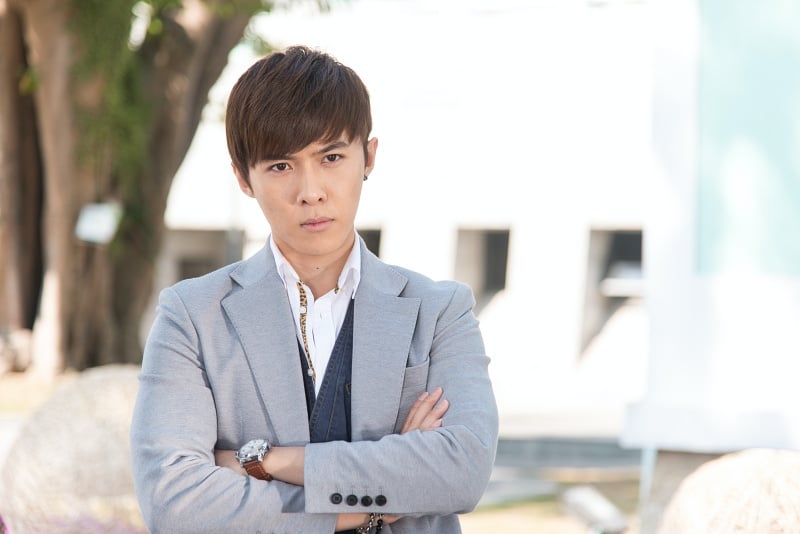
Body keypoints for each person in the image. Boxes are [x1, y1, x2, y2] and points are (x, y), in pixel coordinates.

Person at [130, 45, 498, 533]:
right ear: (243, 178)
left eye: (331, 157)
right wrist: (378, 503)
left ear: (368, 157)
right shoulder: (193, 316)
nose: (311, 191)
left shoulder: (439, 311)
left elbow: (463, 471)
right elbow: (173, 501)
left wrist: (264, 461)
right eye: (280, 166)